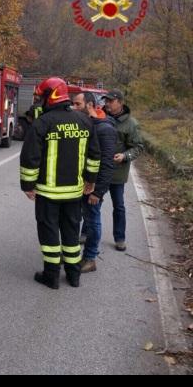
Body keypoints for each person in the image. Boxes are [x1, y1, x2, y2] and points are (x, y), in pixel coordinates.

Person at [20, 77, 101, 289]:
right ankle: (74, 276)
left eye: (43, 96)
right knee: (71, 234)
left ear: (51, 96)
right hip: (74, 193)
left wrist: (28, 186)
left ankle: (52, 276)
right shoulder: (85, 121)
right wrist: (91, 181)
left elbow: (30, 158)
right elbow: (94, 156)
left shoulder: (43, 123)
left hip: (48, 193)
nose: (40, 101)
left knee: (49, 234)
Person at [78, 93, 117, 273]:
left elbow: (108, 164)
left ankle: (90, 258)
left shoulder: (105, 129)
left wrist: (98, 191)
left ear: (89, 106)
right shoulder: (86, 124)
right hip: (80, 185)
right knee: (79, 220)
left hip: (93, 188)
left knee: (93, 221)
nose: (73, 107)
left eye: (77, 104)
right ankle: (74, 255)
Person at [101, 90, 144, 251]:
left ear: (120, 102)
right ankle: (86, 233)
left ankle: (120, 238)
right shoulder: (100, 117)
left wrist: (125, 156)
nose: (107, 104)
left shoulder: (131, 123)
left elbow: (138, 147)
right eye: (106, 101)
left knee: (118, 206)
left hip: (117, 172)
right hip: (100, 170)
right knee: (93, 204)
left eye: (110, 101)